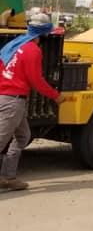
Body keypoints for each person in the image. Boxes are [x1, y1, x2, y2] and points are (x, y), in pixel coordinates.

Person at [0, 11, 64, 191]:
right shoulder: (32, 50)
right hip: (12, 101)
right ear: (44, 34)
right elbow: (36, 80)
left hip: (7, 98)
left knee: (23, 137)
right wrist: (55, 96)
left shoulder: (14, 44)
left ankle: (7, 177)